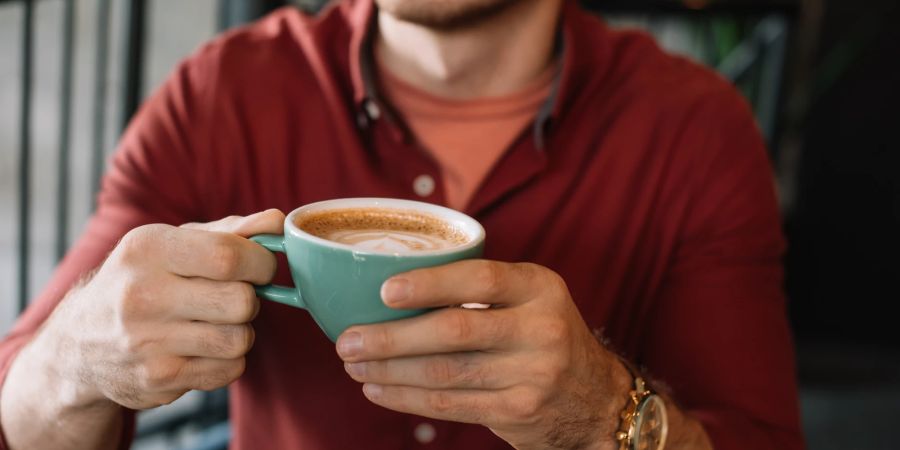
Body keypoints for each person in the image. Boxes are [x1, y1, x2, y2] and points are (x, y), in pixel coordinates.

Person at [0, 0, 805, 449]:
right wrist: (76, 356)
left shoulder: (696, 129)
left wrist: (604, 416)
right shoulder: (219, 95)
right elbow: (17, 412)